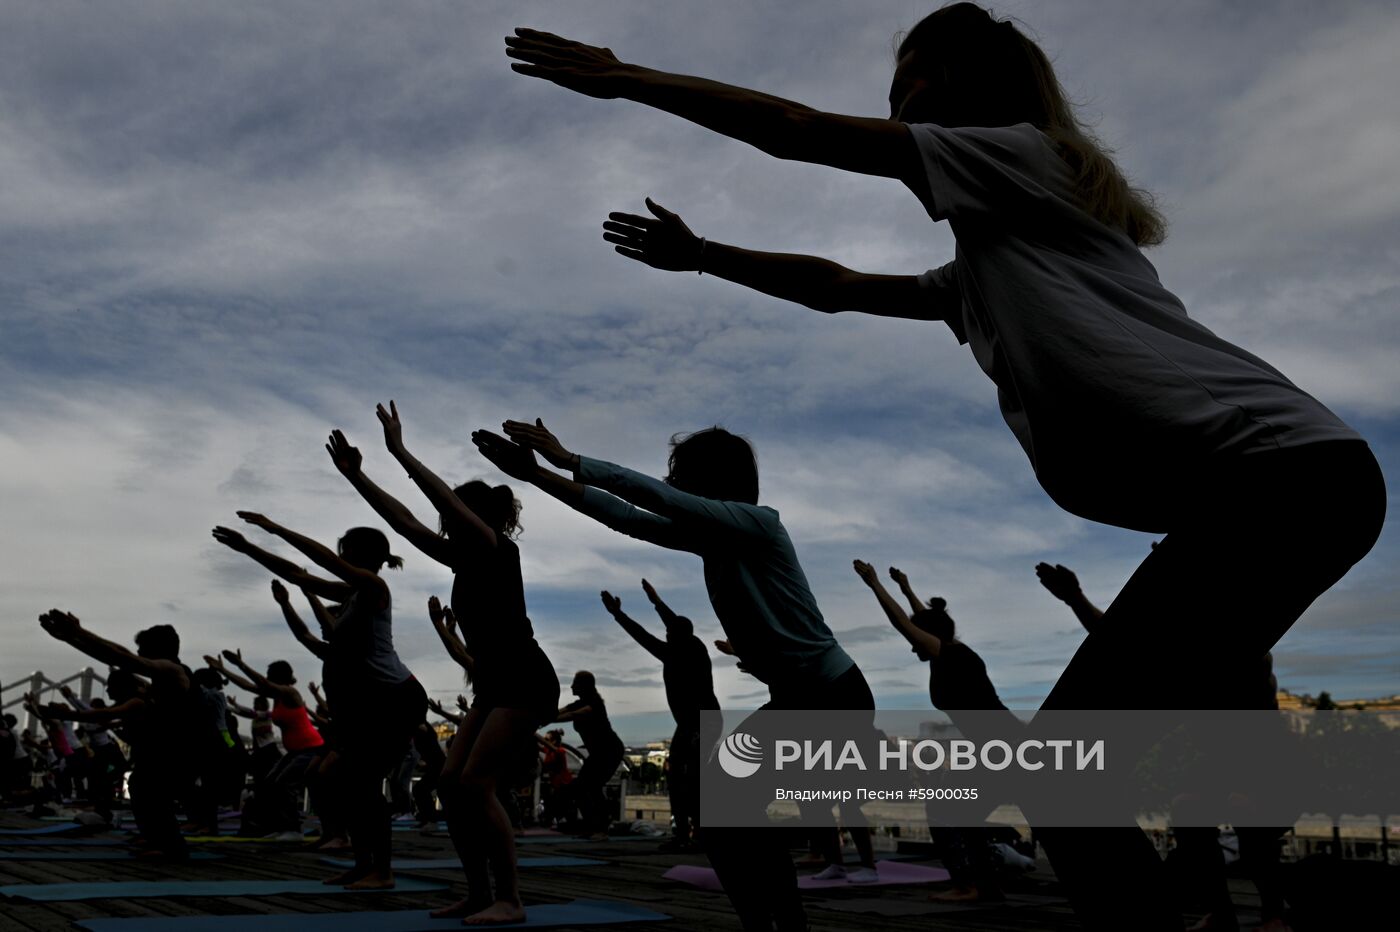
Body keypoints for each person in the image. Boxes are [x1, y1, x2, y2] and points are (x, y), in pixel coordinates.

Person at [505, 8, 1386, 927]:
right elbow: (838, 288)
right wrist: (704, 258)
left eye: (914, 79)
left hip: (1285, 480)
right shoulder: (986, 263)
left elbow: (801, 132)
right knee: (1067, 782)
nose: (897, 99)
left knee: (1063, 779)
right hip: (1264, 497)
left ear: (970, 83)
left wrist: (625, 76)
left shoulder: (1018, 153)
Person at [474, 420, 870, 931]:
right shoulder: (711, 541)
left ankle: (781, 924)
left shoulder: (760, 523)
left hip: (832, 695)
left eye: (683, 477)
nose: (676, 485)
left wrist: (567, 458)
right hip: (807, 697)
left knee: (729, 811)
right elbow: (623, 515)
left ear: (709, 480)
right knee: (723, 822)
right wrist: (534, 476)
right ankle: (773, 924)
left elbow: (652, 497)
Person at [325, 401, 559, 924]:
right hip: (497, 683)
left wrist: (400, 451)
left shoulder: (497, 549)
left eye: (454, 515)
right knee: (451, 787)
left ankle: (510, 899)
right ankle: (479, 893)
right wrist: (357, 477)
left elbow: (442, 506)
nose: (445, 524)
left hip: (525, 678)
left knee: (475, 784)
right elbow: (405, 523)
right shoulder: (462, 557)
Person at [212, 513, 424, 889]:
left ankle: (383, 871)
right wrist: (248, 548)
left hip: (396, 697)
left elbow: (323, 563)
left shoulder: (375, 587)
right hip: (371, 704)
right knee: (346, 780)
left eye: (346, 553)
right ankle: (363, 864)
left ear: (358, 554)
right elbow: (297, 575)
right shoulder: (352, 595)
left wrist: (275, 528)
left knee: (364, 783)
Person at [854, 560, 1011, 902]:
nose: (913, 647)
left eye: (917, 639)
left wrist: (875, 584)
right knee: (958, 810)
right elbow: (926, 620)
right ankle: (982, 886)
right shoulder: (954, 652)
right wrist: (906, 588)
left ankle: (969, 885)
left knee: (947, 809)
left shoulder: (951, 656)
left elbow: (903, 623)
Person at [38, 613, 197, 858]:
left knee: (151, 790)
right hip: (161, 749)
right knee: (141, 787)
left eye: (142, 649)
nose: (138, 653)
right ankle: (158, 839)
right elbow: (120, 654)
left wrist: (78, 634)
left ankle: (171, 847)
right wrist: (73, 638)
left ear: (156, 650)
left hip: (176, 750)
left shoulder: (172, 670)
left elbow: (123, 659)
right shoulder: (158, 677)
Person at [600, 581, 718, 852]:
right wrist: (655, 601)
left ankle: (693, 835)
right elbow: (675, 623)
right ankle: (691, 834)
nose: (665, 634)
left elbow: (641, 635)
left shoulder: (676, 653)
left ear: (675, 636)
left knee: (687, 778)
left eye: (668, 632)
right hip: (698, 721)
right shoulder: (693, 644)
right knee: (685, 777)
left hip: (701, 722)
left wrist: (618, 614)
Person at [206, 641, 325, 842]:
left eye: (270, 676)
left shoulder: (290, 693)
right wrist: (224, 670)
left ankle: (294, 830)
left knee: (284, 783)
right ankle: (279, 825)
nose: (267, 679)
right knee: (270, 782)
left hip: (311, 748)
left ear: (279, 678)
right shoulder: (276, 696)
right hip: (295, 751)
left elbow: (262, 683)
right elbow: (248, 685)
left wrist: (241, 665)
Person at [552, 671, 626, 842]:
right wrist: (541, 718)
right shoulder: (578, 703)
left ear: (583, 686)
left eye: (574, 683)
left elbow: (573, 715)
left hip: (610, 751)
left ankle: (601, 829)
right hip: (598, 753)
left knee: (592, 786)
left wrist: (549, 720)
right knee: (581, 788)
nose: (571, 686)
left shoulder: (595, 704)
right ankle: (591, 826)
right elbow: (558, 713)